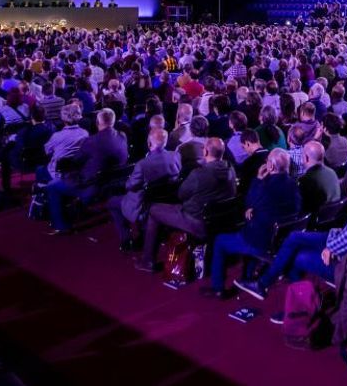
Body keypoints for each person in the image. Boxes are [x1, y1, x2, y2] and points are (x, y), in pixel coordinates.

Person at [235, 173, 347, 299]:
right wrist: (330, 247)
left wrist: (330, 248)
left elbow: (346, 239)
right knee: (294, 237)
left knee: (295, 256)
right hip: (345, 243)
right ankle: (266, 285)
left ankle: (294, 301)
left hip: (346, 264)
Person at [208, 148, 301, 296]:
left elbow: (249, 202)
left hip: (261, 240)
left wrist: (258, 178)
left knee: (220, 241)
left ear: (270, 166)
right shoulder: (294, 184)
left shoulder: (265, 185)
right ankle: (247, 276)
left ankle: (217, 288)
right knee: (252, 223)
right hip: (281, 237)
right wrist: (254, 209)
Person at [136, 138, 236, 271]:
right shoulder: (230, 169)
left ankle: (147, 261)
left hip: (197, 221)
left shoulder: (199, 174)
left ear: (205, 151)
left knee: (153, 210)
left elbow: (181, 194)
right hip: (220, 220)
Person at [107, 127, 181, 251]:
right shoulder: (176, 156)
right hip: (168, 199)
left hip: (142, 204)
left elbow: (130, 186)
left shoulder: (142, 164)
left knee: (112, 202)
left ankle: (126, 239)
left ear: (149, 143)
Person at [298, 140, 341, 214]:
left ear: (306, 157)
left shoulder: (305, 180)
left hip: (317, 223)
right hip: (334, 218)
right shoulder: (332, 173)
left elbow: (303, 209)